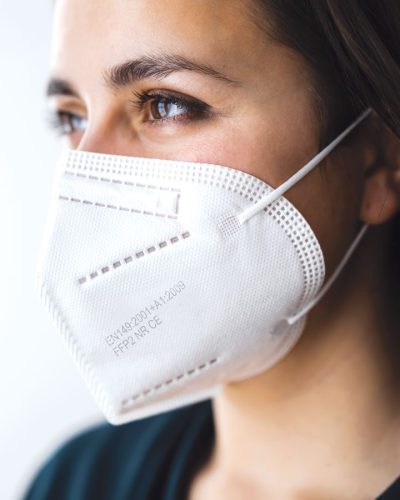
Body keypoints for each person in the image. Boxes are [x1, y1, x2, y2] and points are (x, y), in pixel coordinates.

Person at [23, 0, 400, 499]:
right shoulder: (79, 482)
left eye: (166, 105)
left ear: (377, 162)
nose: (85, 178)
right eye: (72, 119)